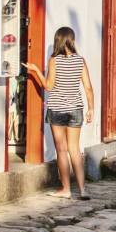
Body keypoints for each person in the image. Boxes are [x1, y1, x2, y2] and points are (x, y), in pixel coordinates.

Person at [23, 27, 94, 200]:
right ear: (72, 40)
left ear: (58, 41)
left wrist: (35, 70)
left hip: (57, 109)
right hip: (76, 109)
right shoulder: (80, 60)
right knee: (74, 150)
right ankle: (83, 190)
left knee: (61, 150)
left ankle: (66, 190)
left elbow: (48, 86)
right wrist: (91, 108)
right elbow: (88, 87)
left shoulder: (54, 60)